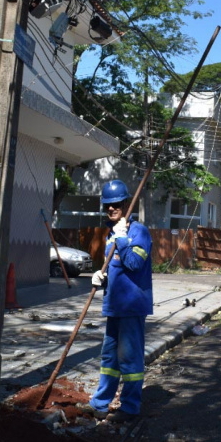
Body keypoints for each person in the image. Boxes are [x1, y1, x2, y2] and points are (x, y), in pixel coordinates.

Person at [81, 179, 153, 423]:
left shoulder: (138, 232)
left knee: (130, 358)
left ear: (125, 203)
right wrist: (100, 278)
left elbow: (134, 263)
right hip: (114, 305)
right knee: (110, 359)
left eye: (116, 204)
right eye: (107, 206)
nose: (111, 209)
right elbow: (115, 268)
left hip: (132, 306)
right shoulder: (112, 234)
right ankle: (100, 403)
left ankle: (130, 407)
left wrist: (122, 240)